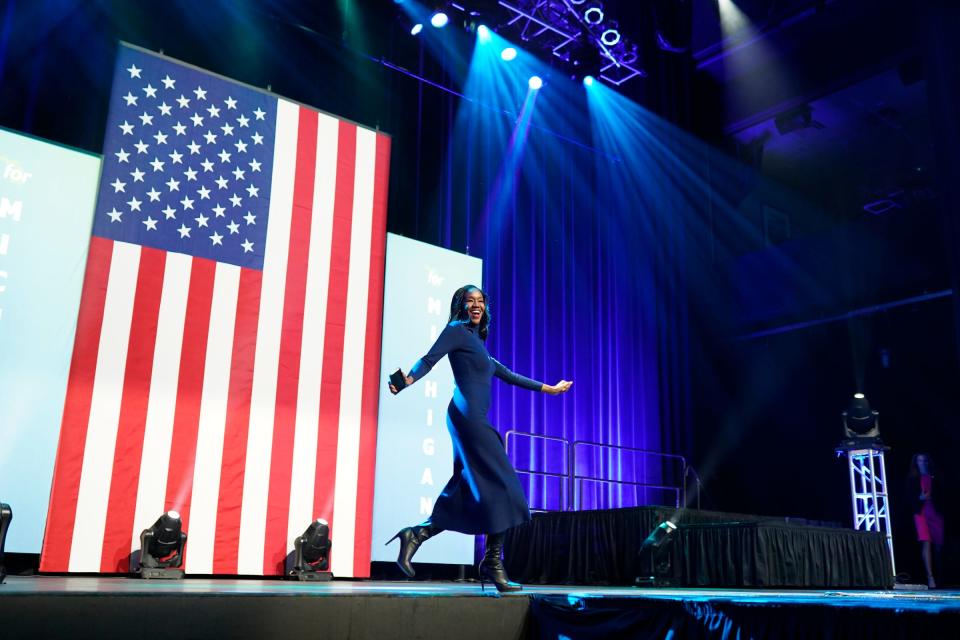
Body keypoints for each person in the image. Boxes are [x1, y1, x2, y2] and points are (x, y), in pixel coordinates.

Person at [386, 284, 572, 592]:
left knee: (464, 492)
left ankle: (416, 535)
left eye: (480, 301)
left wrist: (549, 389)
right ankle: (493, 563)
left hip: (469, 420)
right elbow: (429, 359)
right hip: (468, 419)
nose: (476, 305)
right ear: (460, 305)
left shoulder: (476, 342)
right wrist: (406, 380)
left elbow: (507, 373)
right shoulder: (456, 330)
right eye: (470, 300)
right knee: (505, 486)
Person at [909, 453, 944, 589]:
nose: (922, 463)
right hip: (921, 514)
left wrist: (932, 496)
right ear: (916, 463)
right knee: (926, 542)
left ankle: (940, 575)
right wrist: (920, 498)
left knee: (939, 545)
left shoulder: (935, 477)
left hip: (935, 512)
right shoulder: (913, 479)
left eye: (924, 460)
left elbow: (942, 494)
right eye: (919, 460)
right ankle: (930, 577)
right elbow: (909, 498)